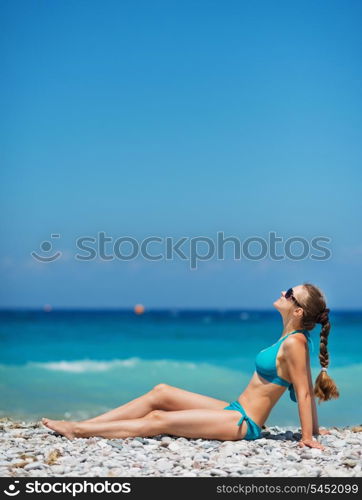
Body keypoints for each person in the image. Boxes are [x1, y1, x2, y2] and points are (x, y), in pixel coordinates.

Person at [42, 282, 339, 449]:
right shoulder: (290, 338)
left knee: (160, 419)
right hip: (234, 409)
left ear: (298, 311)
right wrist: (317, 426)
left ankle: (79, 431)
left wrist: (308, 438)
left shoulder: (296, 343)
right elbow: (310, 387)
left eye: (290, 293)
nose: (283, 292)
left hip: (243, 424)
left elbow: (302, 392)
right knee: (161, 392)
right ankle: (91, 424)